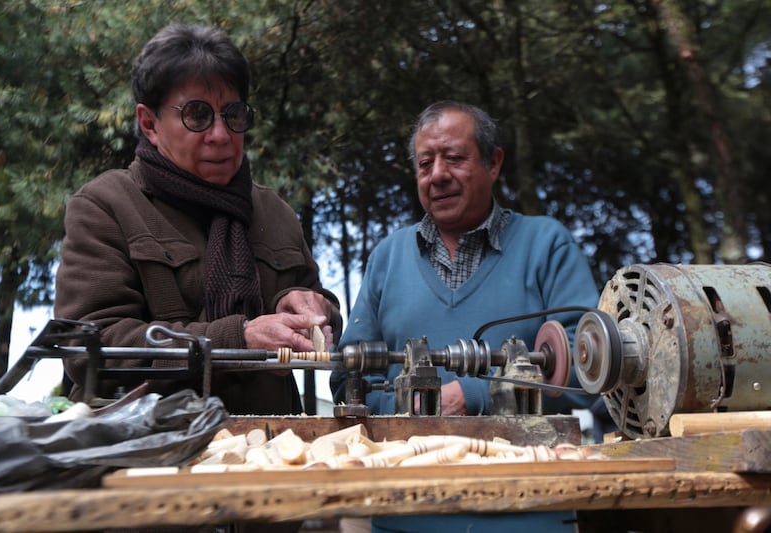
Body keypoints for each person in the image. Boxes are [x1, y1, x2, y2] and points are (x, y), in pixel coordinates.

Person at [331, 101, 601, 533]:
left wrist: (473, 394)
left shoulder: (545, 245)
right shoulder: (386, 258)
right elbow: (348, 376)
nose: (437, 174)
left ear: (493, 163)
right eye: (424, 163)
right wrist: (409, 405)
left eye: (453, 158)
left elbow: (589, 370)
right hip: (406, 518)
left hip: (531, 516)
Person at [54, 22, 342, 420]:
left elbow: (316, 305)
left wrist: (314, 310)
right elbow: (90, 349)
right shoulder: (106, 205)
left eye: (233, 114)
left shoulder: (273, 211)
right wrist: (236, 338)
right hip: (146, 450)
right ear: (149, 124)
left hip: (269, 446)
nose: (221, 135)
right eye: (197, 115)